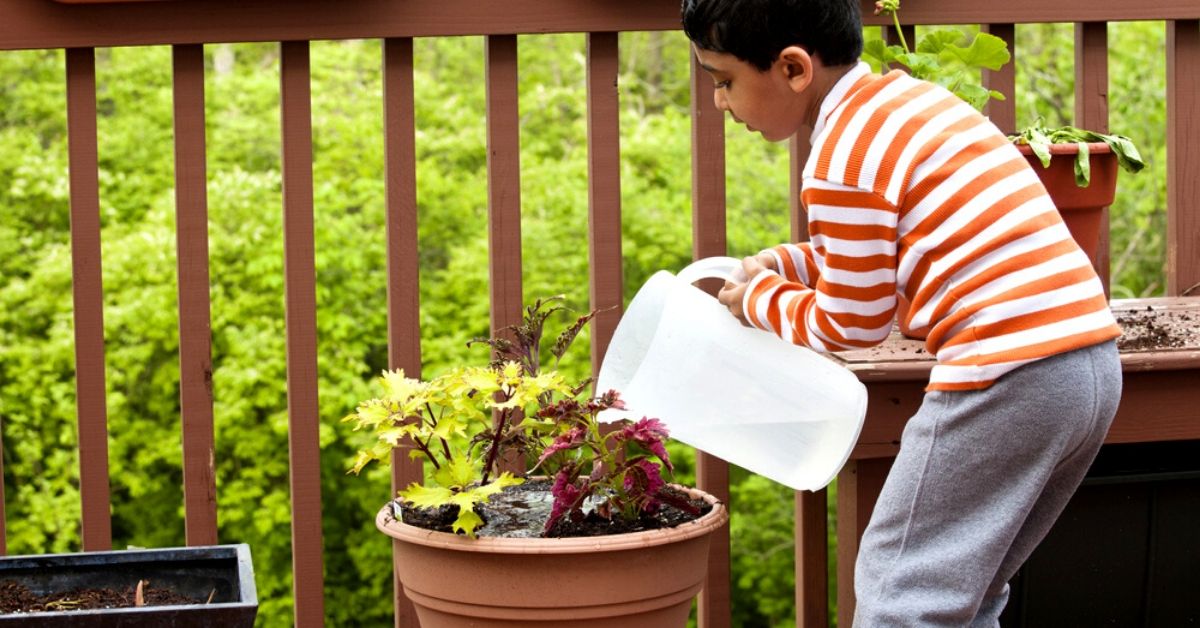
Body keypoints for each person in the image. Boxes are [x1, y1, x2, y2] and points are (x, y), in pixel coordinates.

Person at [681, 0, 1123, 625]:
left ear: (793, 68)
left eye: (724, 81)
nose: (721, 103)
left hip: (1006, 370)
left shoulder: (839, 161)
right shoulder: (909, 106)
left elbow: (851, 323)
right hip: (1087, 367)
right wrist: (785, 263)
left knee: (900, 591)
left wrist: (758, 302)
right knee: (965, 595)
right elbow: (886, 247)